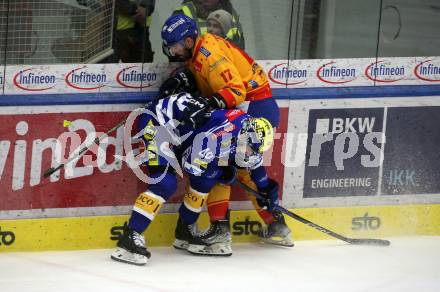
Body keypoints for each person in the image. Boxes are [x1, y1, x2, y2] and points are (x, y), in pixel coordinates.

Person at [160, 14, 293, 255]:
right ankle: (276, 225)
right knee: (244, 170)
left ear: (189, 42)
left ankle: (221, 230)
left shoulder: (210, 57)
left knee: (220, 163)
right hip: (257, 106)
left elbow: (236, 90)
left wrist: (206, 103)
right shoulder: (201, 50)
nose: (172, 51)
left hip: (251, 107)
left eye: (176, 45)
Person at [111, 92, 278, 265]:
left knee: (205, 181)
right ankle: (129, 238)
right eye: (251, 149)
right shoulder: (219, 136)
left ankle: (184, 231)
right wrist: (223, 173)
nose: (251, 153)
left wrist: (266, 189)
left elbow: (255, 165)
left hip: (184, 133)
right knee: (165, 183)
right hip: (158, 123)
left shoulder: (248, 133)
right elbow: (191, 165)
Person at [173, 0, 245, 49]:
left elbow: (241, 49)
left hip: (229, 68)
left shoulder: (230, 12)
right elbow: (175, 53)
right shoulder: (181, 15)